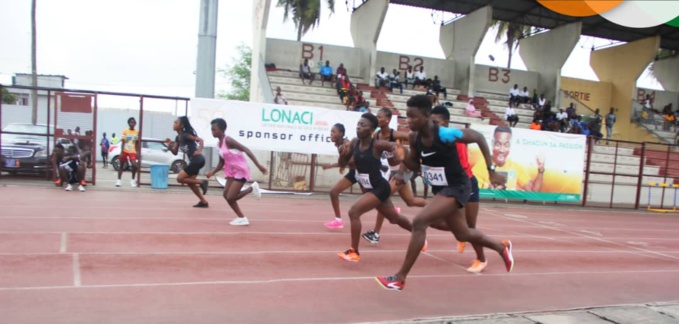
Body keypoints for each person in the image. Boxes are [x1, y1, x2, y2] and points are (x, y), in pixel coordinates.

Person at [375, 94, 514, 291]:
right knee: (463, 233)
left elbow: (479, 137)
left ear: (426, 116)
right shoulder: (415, 138)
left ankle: (400, 278)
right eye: (407, 116)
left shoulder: (445, 134)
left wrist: (491, 171)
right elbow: (415, 166)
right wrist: (403, 156)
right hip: (441, 188)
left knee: (419, 222)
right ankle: (502, 248)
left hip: (458, 186)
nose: (409, 121)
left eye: (413, 117)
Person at [336, 113, 415, 262]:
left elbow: (399, 149)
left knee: (354, 212)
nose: (359, 127)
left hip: (380, 187)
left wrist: (401, 169)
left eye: (363, 125)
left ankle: (354, 252)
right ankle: (418, 233)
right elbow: (343, 163)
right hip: (368, 188)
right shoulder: (354, 143)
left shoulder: (377, 145)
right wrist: (343, 154)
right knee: (394, 218)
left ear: (372, 129)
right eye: (358, 124)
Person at [430, 106, 487, 273]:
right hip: (450, 186)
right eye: (431, 123)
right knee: (434, 221)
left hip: (465, 184)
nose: (433, 127)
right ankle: (460, 233)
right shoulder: (435, 139)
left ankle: (481, 259)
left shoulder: (453, 139)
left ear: (446, 123)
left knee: (470, 226)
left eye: (437, 123)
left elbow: (458, 169)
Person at [362, 108, 427, 245]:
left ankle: (376, 233)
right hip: (389, 171)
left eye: (380, 117)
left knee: (382, 197)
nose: (377, 119)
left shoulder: (396, 134)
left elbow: (411, 145)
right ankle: (436, 206)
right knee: (411, 201)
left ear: (388, 119)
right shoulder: (376, 135)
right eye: (376, 116)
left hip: (403, 169)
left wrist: (402, 172)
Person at [205, 118, 267, 225]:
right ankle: (242, 218)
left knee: (231, 197)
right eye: (211, 129)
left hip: (241, 170)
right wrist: (212, 172)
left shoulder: (228, 140)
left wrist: (258, 165)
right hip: (231, 172)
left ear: (221, 129)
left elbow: (246, 149)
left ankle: (252, 188)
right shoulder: (218, 144)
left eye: (214, 129)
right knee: (226, 195)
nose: (212, 132)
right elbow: (221, 162)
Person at [165, 116, 210, 208]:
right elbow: (175, 152)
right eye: (174, 122)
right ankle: (203, 201)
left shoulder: (186, 135)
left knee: (179, 179)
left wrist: (199, 150)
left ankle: (202, 182)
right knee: (191, 183)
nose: (174, 124)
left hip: (197, 160)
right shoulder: (178, 138)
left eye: (176, 123)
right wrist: (169, 146)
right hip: (195, 161)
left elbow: (200, 140)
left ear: (181, 125)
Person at [322, 123, 356, 229]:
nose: (331, 134)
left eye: (334, 131)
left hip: (364, 172)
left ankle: (391, 209)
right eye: (331, 131)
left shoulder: (346, 144)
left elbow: (351, 161)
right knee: (334, 192)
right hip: (354, 173)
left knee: (375, 199)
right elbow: (345, 162)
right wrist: (341, 164)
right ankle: (338, 220)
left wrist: (332, 165)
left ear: (341, 133)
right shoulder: (340, 145)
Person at [116, 117, 140, 188]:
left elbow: (137, 143)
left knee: (134, 165)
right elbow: (123, 142)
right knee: (121, 165)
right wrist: (122, 151)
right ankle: (119, 180)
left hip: (132, 151)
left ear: (135, 123)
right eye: (131, 122)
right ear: (129, 123)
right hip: (125, 150)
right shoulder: (125, 131)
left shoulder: (137, 132)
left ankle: (132, 180)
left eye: (133, 122)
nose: (132, 123)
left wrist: (137, 152)